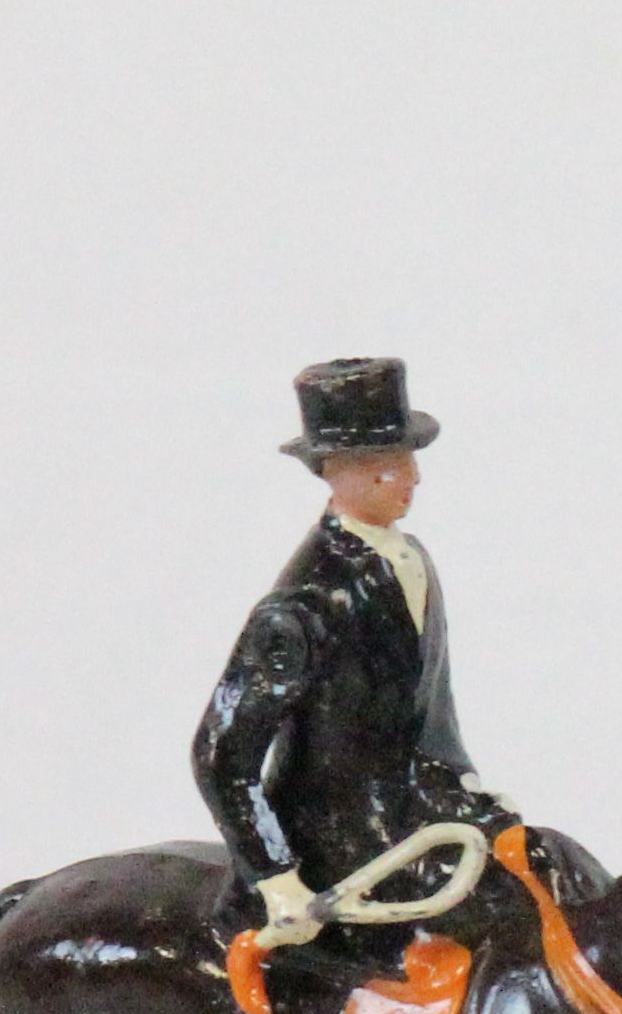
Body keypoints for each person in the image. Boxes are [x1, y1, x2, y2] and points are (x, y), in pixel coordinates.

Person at [193, 357, 531, 979]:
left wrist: (461, 785)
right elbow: (222, 755)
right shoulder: (301, 606)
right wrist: (277, 878)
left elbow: (427, 710)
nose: (414, 477)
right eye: (391, 464)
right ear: (337, 472)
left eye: (409, 458)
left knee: (541, 874)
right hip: (340, 850)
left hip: (418, 810)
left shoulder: (410, 557)